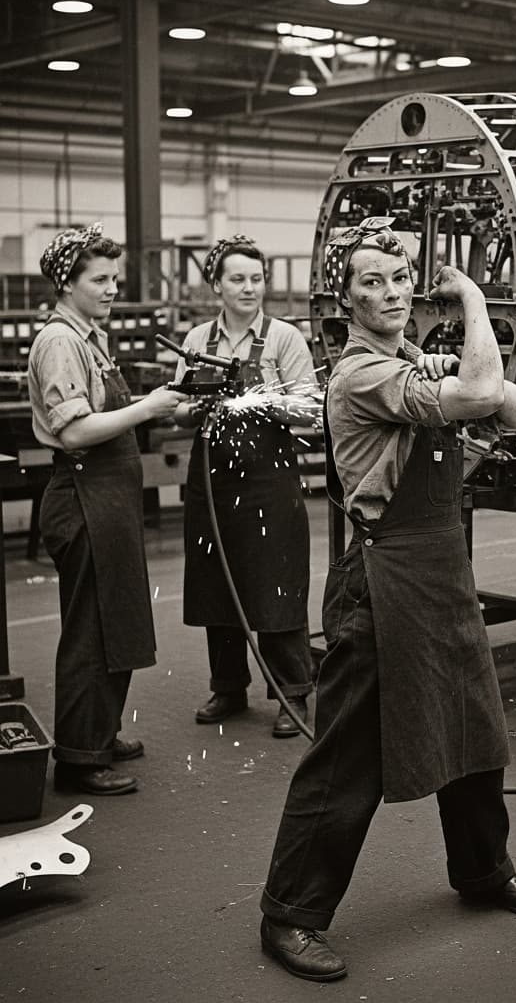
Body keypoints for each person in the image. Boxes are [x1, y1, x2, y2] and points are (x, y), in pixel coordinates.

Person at [258, 217, 516, 983]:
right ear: (345, 298)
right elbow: (487, 393)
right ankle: (290, 914)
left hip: (441, 572)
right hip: (381, 580)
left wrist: (447, 358)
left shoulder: (413, 363)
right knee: (347, 758)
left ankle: (482, 870)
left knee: (473, 731)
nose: (390, 294)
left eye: (398, 280)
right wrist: (479, 307)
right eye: (372, 283)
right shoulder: (362, 375)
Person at [28, 223, 187, 795]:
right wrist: (147, 409)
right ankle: (77, 758)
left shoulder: (89, 335)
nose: (112, 287)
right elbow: (74, 432)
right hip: (83, 499)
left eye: (114, 277)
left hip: (110, 501)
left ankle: (100, 731)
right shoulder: (59, 342)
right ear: (67, 284)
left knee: (113, 620)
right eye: (100, 279)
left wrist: (162, 405)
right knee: (89, 632)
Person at [175, 235, 321, 738]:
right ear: (216, 284)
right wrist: (192, 406)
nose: (249, 288)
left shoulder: (285, 339)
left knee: (275, 581)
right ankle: (228, 686)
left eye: (256, 279)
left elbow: (310, 410)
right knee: (218, 581)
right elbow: (175, 409)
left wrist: (262, 397)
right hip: (212, 481)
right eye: (238, 279)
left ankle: (293, 694)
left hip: (268, 481)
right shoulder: (196, 340)